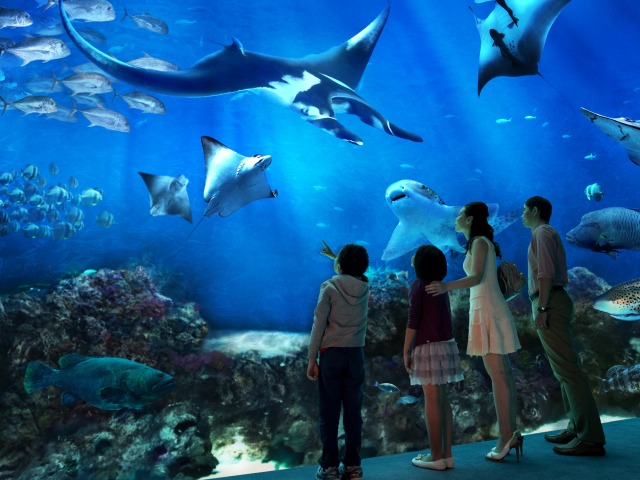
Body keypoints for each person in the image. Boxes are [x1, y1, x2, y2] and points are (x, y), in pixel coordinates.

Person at [426, 201, 522, 462]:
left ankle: (506, 437)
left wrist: (446, 287)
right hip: (487, 306)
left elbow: (477, 277)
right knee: (502, 375)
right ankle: (511, 433)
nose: (456, 217)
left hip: (487, 308)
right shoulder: (478, 242)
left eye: (460, 214)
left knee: (498, 376)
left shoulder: (479, 242)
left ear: (469, 219)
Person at [522, 196, 606, 456]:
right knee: (563, 371)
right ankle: (577, 426)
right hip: (554, 300)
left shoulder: (541, 233)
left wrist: (542, 308)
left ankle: (590, 438)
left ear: (535, 210)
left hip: (550, 301)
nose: (522, 215)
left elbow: (545, 273)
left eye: (525, 210)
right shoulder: (547, 233)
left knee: (568, 371)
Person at [307, 242, 370, 480]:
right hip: (355, 356)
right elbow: (354, 273)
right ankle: (353, 466)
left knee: (329, 412)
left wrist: (312, 358)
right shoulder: (365, 287)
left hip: (331, 355)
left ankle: (329, 467)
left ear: (339, 265)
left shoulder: (329, 287)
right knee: (353, 413)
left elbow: (318, 324)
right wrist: (337, 257)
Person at [404, 245, 464, 471]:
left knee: (431, 399)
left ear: (421, 264)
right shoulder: (440, 287)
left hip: (427, 347)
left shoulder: (418, 286)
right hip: (446, 345)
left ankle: (436, 455)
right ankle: (447, 454)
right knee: (442, 399)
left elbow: (413, 320)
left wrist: (406, 350)